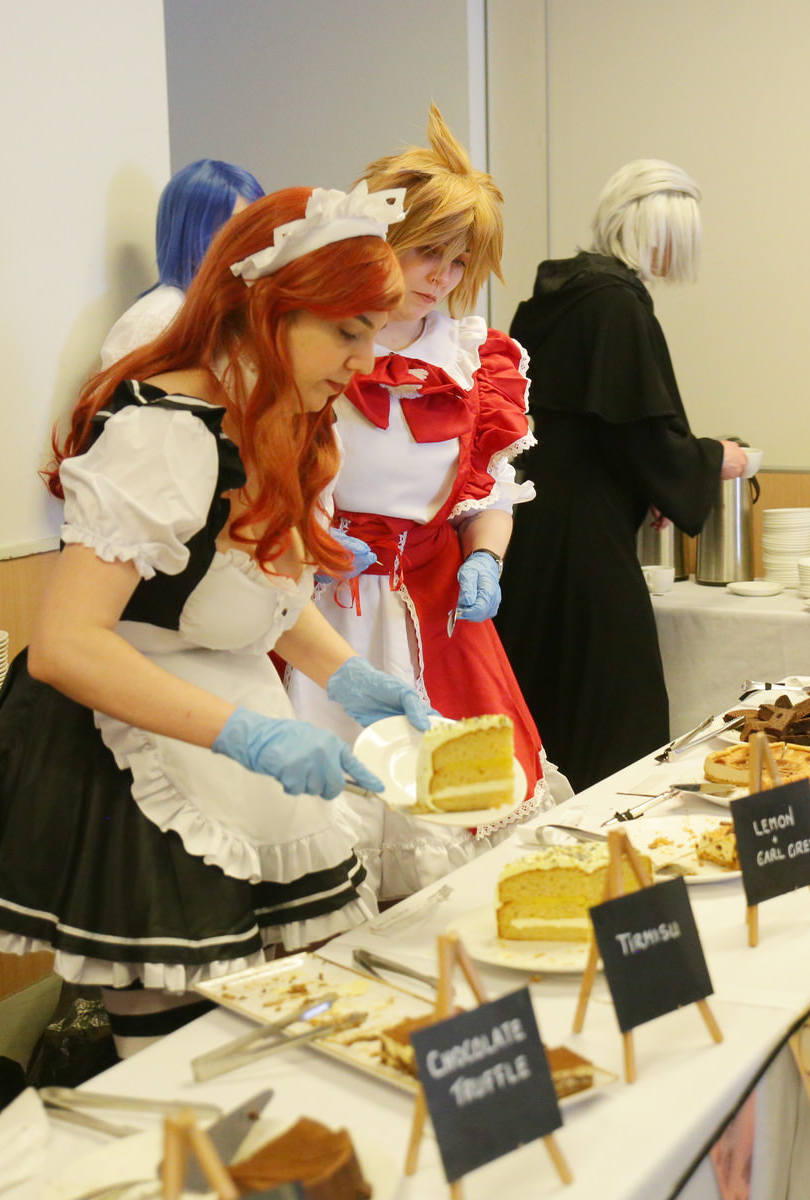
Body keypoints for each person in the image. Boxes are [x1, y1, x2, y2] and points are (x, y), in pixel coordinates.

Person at [0, 184, 432, 1054]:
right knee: (174, 1030)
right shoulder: (165, 433)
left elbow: (249, 592)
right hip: (129, 736)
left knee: (270, 1013)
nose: (364, 360)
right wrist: (248, 737)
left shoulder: (285, 416)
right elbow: (65, 646)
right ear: (266, 309)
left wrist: (348, 676)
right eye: (348, 331)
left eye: (374, 333)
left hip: (226, 713)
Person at [287, 107, 567, 898]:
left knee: (455, 821)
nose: (441, 275)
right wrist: (314, 544)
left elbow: (488, 490)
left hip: (436, 610)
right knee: (323, 827)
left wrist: (486, 559)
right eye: (426, 251)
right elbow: (271, 477)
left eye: (458, 259)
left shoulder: (474, 358)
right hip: (324, 608)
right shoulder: (318, 341)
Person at [496, 160, 748, 791]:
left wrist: (648, 484)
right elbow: (640, 431)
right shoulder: (615, 303)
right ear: (656, 232)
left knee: (548, 682)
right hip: (586, 537)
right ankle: (607, 824)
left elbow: (596, 425)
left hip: (536, 523)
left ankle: (545, 817)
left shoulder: (563, 295)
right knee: (618, 699)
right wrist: (713, 458)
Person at [99, 158, 266, 368]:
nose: (251, 239)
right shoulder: (156, 320)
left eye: (256, 224)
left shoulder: (249, 311)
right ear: (190, 231)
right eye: (233, 227)